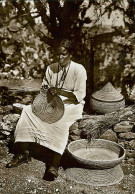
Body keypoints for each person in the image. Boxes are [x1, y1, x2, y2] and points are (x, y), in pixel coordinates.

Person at [6, 40, 87, 180]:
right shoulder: (51, 68)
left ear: (70, 54)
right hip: (51, 102)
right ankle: (23, 153)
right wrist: (44, 91)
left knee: (61, 122)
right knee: (27, 111)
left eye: (64, 54)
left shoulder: (79, 69)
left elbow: (79, 95)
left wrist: (61, 91)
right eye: (58, 55)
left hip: (71, 104)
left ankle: (54, 164)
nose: (60, 57)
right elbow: (44, 87)